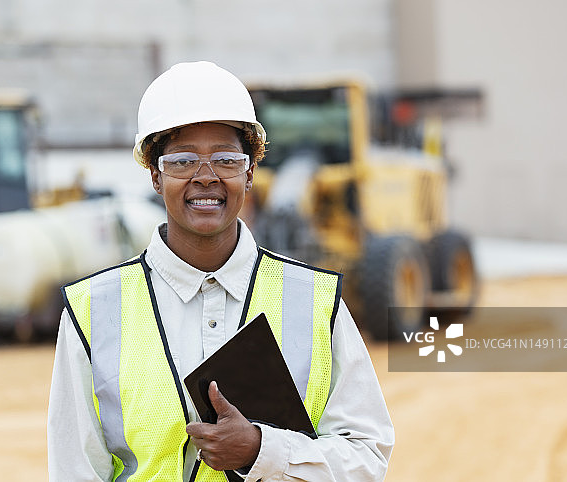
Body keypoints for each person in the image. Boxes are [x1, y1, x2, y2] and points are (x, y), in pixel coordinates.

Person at [48, 61, 394, 481]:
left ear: (250, 173)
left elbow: (367, 459)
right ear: (155, 176)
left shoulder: (315, 301)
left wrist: (262, 450)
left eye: (226, 159)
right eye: (182, 161)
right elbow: (74, 469)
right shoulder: (93, 310)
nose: (206, 177)